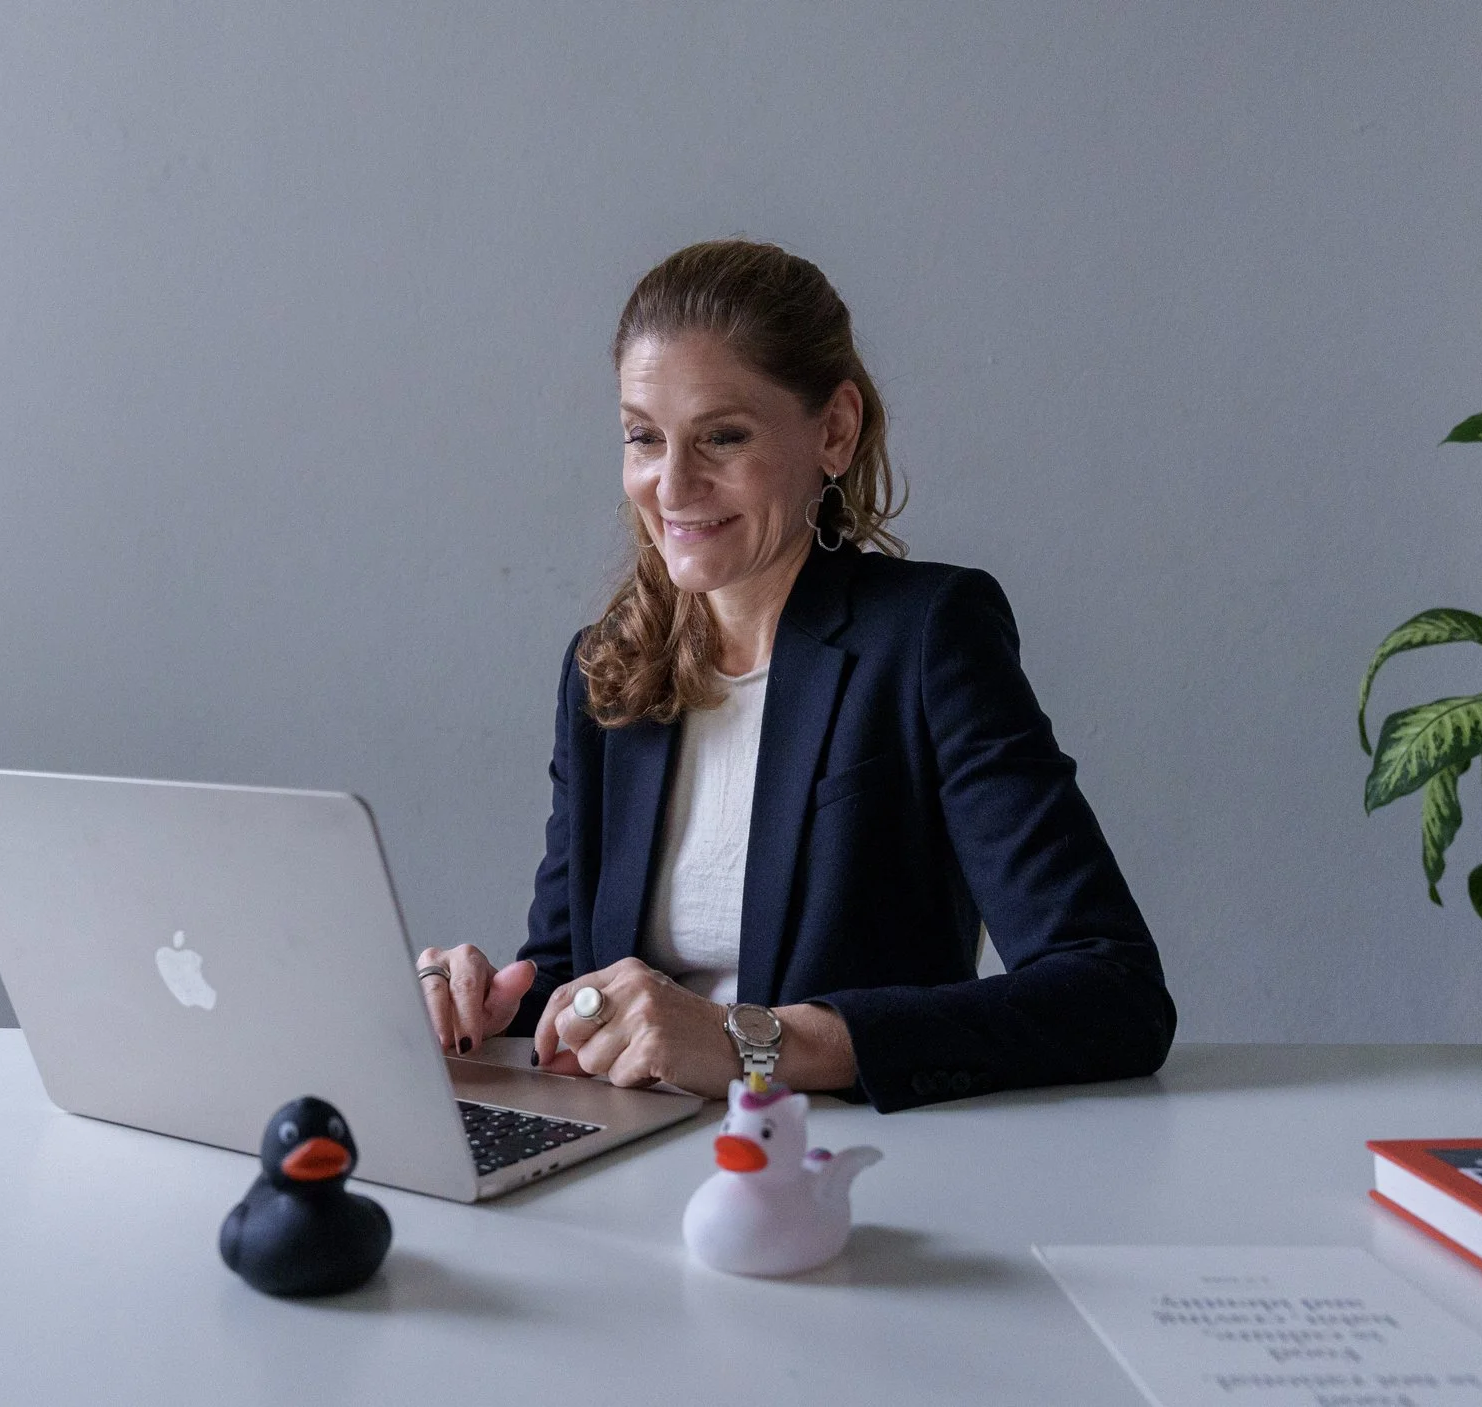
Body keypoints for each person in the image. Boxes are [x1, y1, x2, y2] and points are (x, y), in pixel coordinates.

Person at [416, 239, 1175, 1112]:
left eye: (723, 436)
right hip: (630, 1168)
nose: (672, 484)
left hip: (839, 1175)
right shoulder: (605, 671)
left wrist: (750, 1043)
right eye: (643, 437)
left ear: (835, 431)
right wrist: (482, 1004)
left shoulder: (927, 638)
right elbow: (570, 982)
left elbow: (1113, 992)